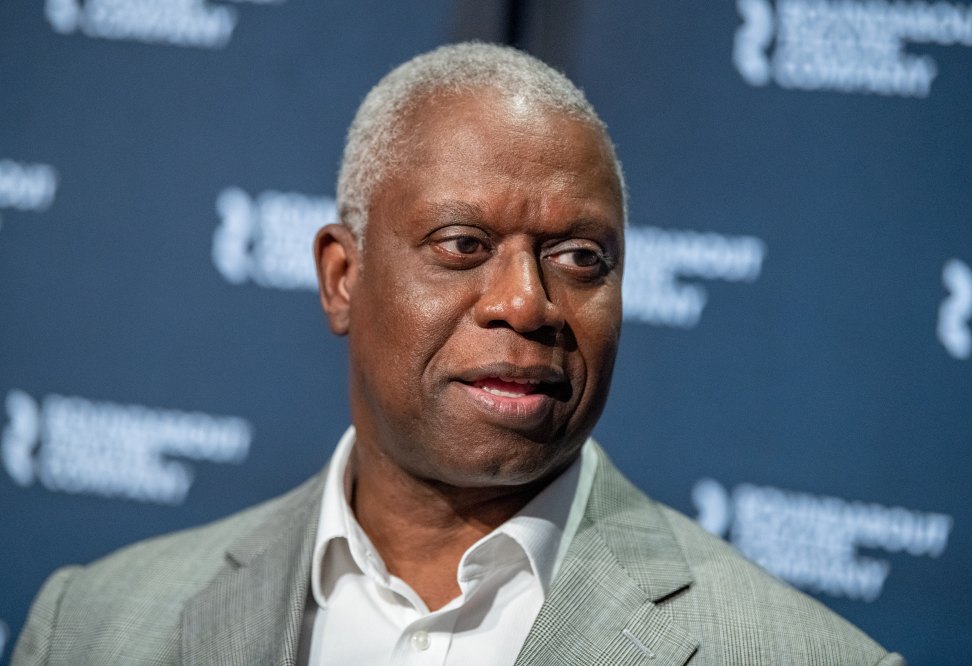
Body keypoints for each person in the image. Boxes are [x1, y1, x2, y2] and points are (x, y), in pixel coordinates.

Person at [13, 42, 905, 665]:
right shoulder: (91, 626)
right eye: (461, 245)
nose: (526, 302)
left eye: (580, 258)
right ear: (342, 278)